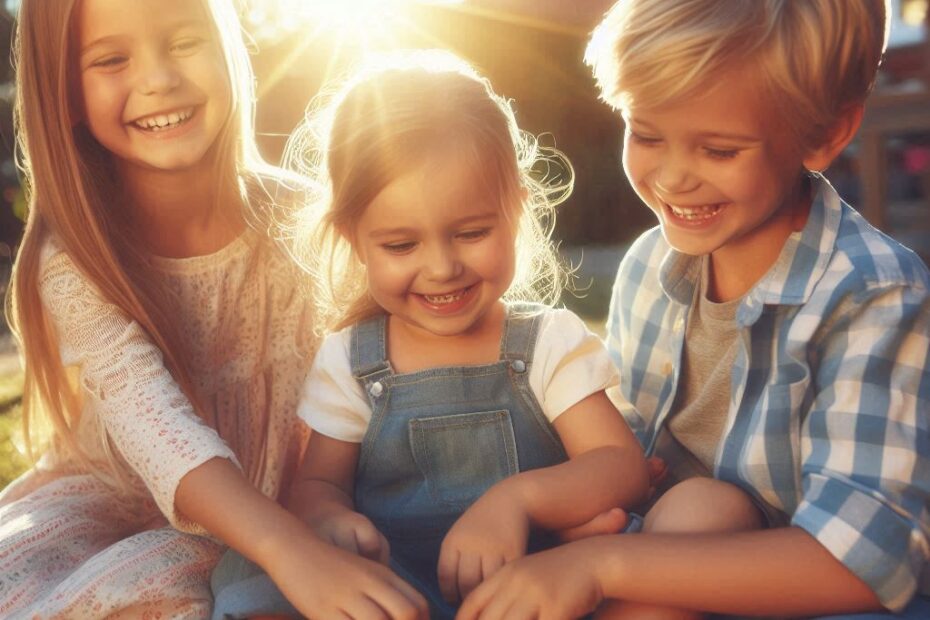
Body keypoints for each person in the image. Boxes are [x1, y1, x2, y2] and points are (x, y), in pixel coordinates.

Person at [457, 1, 930, 619]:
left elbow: (866, 562)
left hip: (803, 596)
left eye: (719, 150)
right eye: (646, 134)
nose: (674, 178)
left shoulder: (874, 295)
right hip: (662, 553)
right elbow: (629, 458)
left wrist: (600, 566)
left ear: (825, 136)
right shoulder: (651, 266)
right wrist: (586, 519)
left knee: (708, 507)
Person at [0, 1, 428, 618]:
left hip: (294, 501)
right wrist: (292, 553)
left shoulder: (311, 221)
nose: (158, 79)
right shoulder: (74, 257)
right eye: (112, 59)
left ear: (226, 44)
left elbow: (399, 364)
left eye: (182, 43)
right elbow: (155, 426)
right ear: (65, 92)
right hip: (116, 504)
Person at [210, 50, 651, 619]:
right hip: (391, 594)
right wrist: (330, 520)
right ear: (353, 237)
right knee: (257, 580)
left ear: (516, 209)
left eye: (470, 232)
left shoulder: (547, 344)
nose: (441, 267)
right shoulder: (351, 361)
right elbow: (318, 485)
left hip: (530, 588)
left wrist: (517, 501)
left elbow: (619, 465)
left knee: (651, 586)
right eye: (401, 245)